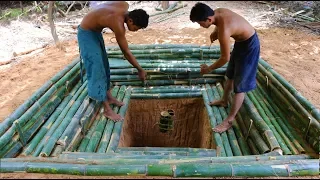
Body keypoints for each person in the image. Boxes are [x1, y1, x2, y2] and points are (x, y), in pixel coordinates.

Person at [190, 3, 260, 133]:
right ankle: (224, 100)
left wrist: (209, 69)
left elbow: (224, 58)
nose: (200, 26)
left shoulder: (224, 31)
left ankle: (229, 120)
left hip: (250, 46)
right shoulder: (217, 12)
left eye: (200, 23)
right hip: (241, 42)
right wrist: (214, 31)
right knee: (231, 74)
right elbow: (220, 25)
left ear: (208, 20)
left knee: (240, 86)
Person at [77, 1, 149, 121]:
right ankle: (106, 109)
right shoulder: (118, 23)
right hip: (86, 33)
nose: (136, 30)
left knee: (104, 64)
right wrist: (140, 69)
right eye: (137, 28)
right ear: (130, 21)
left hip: (95, 31)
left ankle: (109, 97)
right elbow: (126, 52)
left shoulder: (125, 5)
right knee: (97, 68)